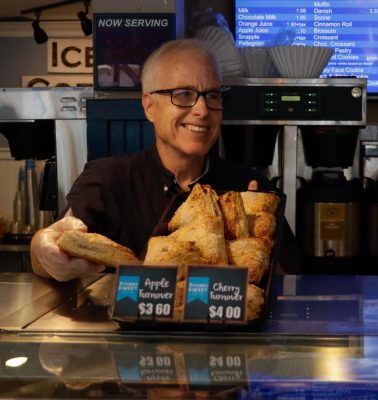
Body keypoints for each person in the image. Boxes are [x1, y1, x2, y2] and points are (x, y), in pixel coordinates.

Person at [30, 38, 299, 281]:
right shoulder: (108, 182)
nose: (202, 110)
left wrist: (253, 244)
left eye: (213, 96)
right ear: (149, 107)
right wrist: (42, 249)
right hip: (126, 334)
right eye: (183, 94)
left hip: (220, 335)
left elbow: (292, 282)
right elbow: (58, 241)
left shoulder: (249, 189)